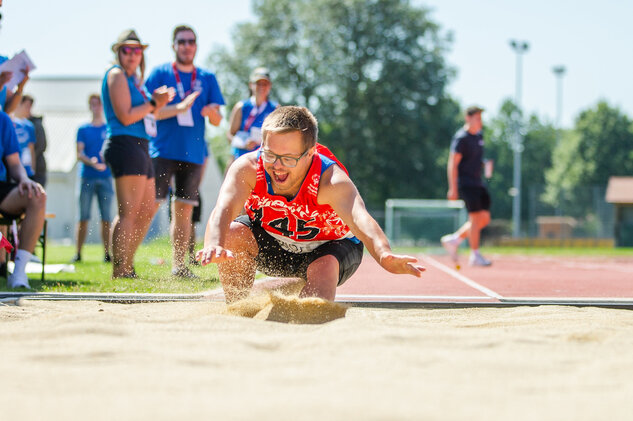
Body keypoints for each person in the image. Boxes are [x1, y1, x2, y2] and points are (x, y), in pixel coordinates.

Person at [196, 106, 424, 303]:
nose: (277, 166)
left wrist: (383, 255)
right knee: (233, 233)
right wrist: (214, 243)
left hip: (330, 249)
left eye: (288, 158)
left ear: (310, 153)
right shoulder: (248, 168)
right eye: (270, 155)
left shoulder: (330, 180)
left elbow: (360, 218)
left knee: (322, 273)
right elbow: (223, 209)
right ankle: (239, 309)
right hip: (274, 244)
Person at [145, 24, 224, 278]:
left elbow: (217, 120)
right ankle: (123, 263)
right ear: (173, 45)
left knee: (184, 211)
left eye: (191, 41)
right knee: (150, 206)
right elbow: (150, 111)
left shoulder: (207, 77)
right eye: (181, 42)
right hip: (163, 151)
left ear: (196, 46)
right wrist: (180, 107)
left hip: (193, 153)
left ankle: (179, 266)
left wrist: (211, 113)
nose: (186, 46)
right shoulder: (160, 73)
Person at [101, 29, 174, 279]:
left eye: (137, 50)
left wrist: (167, 105)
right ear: (118, 52)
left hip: (141, 145)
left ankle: (128, 265)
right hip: (124, 143)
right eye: (126, 49)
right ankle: (120, 270)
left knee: (146, 210)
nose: (132, 55)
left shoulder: (133, 81)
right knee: (128, 212)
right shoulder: (116, 75)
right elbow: (125, 115)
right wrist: (154, 103)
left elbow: (147, 113)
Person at [0, 110, 46, 289]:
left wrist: (25, 179)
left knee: (37, 196)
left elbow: (14, 163)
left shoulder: (3, 119)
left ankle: (19, 271)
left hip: (2, 186)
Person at [441, 105, 492, 267]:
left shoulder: (479, 136)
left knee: (484, 218)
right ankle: (475, 255)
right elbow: (453, 163)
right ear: (468, 118)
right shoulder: (460, 138)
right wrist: (452, 188)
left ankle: (455, 239)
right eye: (477, 118)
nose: (480, 121)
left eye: (481, 118)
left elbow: (473, 160)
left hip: (478, 183)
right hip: (466, 183)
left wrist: (485, 164)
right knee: (475, 219)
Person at [71, 94, 114, 264]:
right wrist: (93, 163)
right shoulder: (83, 129)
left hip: (106, 178)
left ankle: (107, 254)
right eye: (93, 104)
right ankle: (78, 253)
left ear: (102, 106)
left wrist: (106, 163)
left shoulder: (109, 129)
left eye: (98, 104)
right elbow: (79, 153)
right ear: (90, 107)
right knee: (83, 217)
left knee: (106, 218)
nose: (96, 107)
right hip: (86, 177)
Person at [226, 67, 278, 163]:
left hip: (264, 161)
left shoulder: (275, 109)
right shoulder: (241, 107)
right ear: (251, 85)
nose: (262, 87)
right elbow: (229, 134)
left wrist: (262, 142)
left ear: (270, 86)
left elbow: (279, 138)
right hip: (239, 158)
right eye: (258, 83)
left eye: (265, 84)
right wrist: (243, 143)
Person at [20, 95, 48, 187]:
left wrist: (30, 166)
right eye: (26, 106)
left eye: (30, 106)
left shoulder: (35, 124)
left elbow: (41, 146)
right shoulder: (16, 124)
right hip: (22, 171)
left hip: (37, 171)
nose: (28, 109)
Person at [11, 104, 36, 178]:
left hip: (26, 169)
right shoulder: (9, 122)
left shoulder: (28, 125)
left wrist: (32, 169)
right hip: (13, 169)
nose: (29, 110)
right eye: (26, 106)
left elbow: (31, 148)